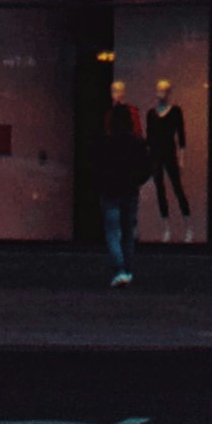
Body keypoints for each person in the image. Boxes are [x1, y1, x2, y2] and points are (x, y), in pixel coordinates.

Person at [91, 93, 146, 285]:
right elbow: (146, 168)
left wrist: (100, 184)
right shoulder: (136, 143)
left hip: (110, 192)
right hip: (130, 191)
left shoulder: (105, 142)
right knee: (128, 233)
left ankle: (120, 269)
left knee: (113, 232)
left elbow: (96, 166)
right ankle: (128, 270)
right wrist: (136, 181)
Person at [143, 82, 194, 234]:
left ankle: (188, 225)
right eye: (159, 90)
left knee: (178, 188)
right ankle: (166, 226)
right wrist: (148, 161)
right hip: (156, 155)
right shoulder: (151, 113)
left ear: (168, 92)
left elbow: (181, 135)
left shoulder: (175, 111)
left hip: (170, 153)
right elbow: (149, 138)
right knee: (160, 189)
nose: (161, 93)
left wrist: (182, 159)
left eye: (164, 90)